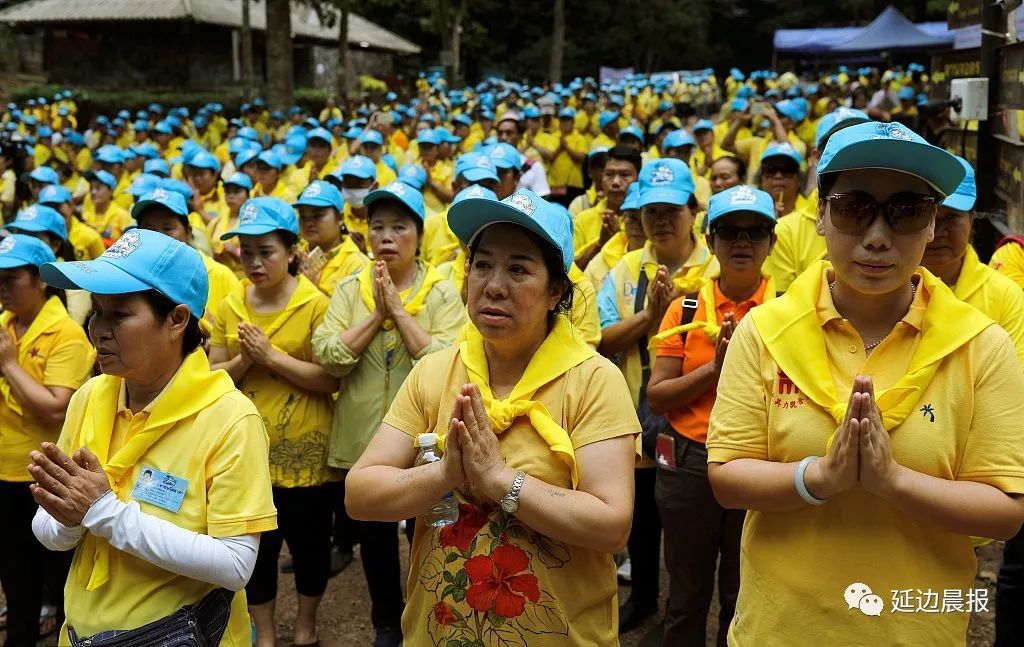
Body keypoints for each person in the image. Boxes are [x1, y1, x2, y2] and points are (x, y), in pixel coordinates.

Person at [705, 121, 1024, 645]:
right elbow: (727, 473)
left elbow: (1006, 507)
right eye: (854, 208)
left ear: (931, 226)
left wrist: (892, 481)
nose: (877, 236)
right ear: (821, 217)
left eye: (906, 211)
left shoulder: (980, 345)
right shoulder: (765, 331)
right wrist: (819, 479)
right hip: (782, 628)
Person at [345, 187, 640, 647]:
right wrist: (445, 473)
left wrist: (501, 480)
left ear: (555, 291)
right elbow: (360, 493)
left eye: (519, 269)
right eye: (482, 264)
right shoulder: (435, 371)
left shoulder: (594, 380)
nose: (494, 284)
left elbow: (611, 524)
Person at [33, 229, 277, 646]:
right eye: (97, 311)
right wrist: (69, 519)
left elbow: (236, 564)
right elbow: (50, 530)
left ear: (177, 320)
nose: (99, 330)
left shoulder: (230, 418)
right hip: (81, 633)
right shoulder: (92, 396)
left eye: (120, 315)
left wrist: (103, 511)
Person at [312, 182, 465, 647]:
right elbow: (327, 354)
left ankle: (437, 615)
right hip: (363, 434)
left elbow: (450, 356)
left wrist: (397, 312)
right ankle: (386, 623)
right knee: (375, 538)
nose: (387, 236)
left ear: (419, 234)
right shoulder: (349, 289)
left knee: (435, 527)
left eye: (399, 227)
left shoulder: (441, 291)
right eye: (377, 226)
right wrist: (375, 317)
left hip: (426, 439)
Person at [646, 185, 778, 646]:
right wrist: (715, 370)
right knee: (686, 591)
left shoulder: (787, 314)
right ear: (711, 239)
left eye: (755, 232)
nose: (742, 243)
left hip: (757, 463)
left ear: (771, 242)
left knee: (743, 594)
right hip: (688, 463)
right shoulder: (685, 307)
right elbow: (658, 395)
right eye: (729, 232)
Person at [596, 158, 718, 633]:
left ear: (693, 211)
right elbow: (603, 338)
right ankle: (644, 598)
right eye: (651, 212)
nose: (662, 221)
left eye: (672, 210)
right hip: (634, 415)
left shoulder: (713, 267)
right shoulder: (627, 268)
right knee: (642, 516)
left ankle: (689, 612)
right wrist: (651, 317)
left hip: (698, 417)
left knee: (693, 525)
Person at [209, 196, 337, 647]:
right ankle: (265, 631)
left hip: (306, 450)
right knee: (255, 550)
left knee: (309, 546)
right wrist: (247, 359)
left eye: (266, 252)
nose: (256, 262)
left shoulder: (316, 305)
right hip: (245, 451)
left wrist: (273, 358)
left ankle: (306, 624)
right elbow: (213, 375)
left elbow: (329, 379)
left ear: (290, 252)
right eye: (247, 252)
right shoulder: (229, 304)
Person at [0, 234, 94, 646]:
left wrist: (7, 365)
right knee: (15, 580)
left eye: (10, 278)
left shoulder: (66, 333)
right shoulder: (5, 325)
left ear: (40, 280)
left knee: (57, 584)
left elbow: (56, 407)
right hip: (4, 470)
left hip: (45, 476)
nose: (2, 287)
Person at [920, 156, 1024, 364]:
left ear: (971, 220)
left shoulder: (1004, 296)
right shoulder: (883, 286)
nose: (938, 232)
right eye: (927, 217)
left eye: (952, 217)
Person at [132, 188, 240, 331]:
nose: (158, 237)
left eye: (167, 228)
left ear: (188, 232)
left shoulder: (220, 276)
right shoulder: (133, 279)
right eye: (149, 229)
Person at [295, 180, 370, 297]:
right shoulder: (295, 257)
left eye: (317, 216)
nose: (308, 223)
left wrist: (312, 289)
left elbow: (351, 314)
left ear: (340, 218)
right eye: (303, 216)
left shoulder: (357, 264)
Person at [574, 146, 641, 271]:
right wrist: (600, 244)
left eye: (625, 175)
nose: (615, 182)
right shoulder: (584, 219)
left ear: (638, 178)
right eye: (609, 174)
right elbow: (570, 271)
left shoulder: (645, 220)